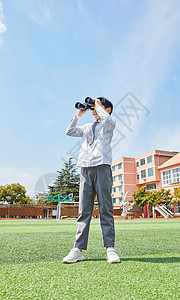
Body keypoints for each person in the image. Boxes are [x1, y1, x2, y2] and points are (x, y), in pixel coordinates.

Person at [62, 97, 120, 263]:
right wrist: (80, 113)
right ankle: (78, 249)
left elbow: (106, 118)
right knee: (84, 210)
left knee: (106, 208)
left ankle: (110, 248)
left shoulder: (109, 124)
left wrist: (97, 104)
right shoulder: (87, 127)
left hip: (102, 167)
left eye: (98, 107)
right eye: (93, 108)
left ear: (107, 109)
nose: (94, 110)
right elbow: (70, 131)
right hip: (85, 168)